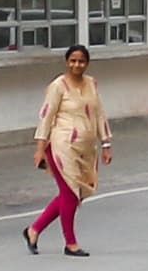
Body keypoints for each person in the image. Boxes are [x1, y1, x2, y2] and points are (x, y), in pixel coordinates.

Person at [23, 43, 111, 257]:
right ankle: (70, 243)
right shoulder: (58, 86)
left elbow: (99, 114)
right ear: (66, 62)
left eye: (81, 61)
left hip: (86, 149)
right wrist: (40, 149)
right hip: (62, 147)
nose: (77, 65)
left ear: (87, 63)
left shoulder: (92, 84)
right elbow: (46, 116)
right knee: (70, 193)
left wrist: (106, 144)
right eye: (73, 60)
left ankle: (34, 230)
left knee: (72, 194)